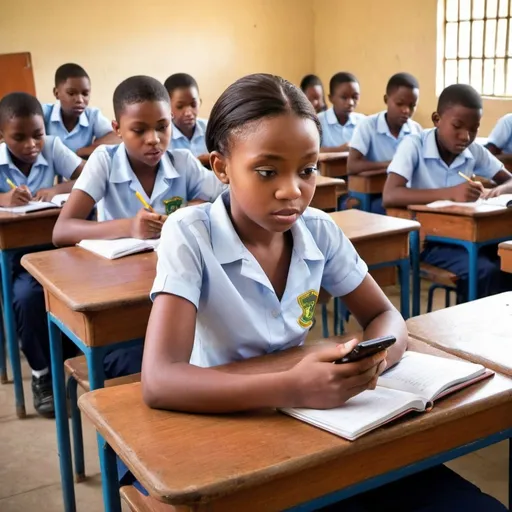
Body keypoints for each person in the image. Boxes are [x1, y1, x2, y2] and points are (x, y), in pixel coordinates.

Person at [137, 73, 505, 511]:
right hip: (220, 422)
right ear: (220, 167)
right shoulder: (189, 233)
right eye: (267, 171)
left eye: (308, 170)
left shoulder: (317, 230)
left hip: (309, 421)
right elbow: (160, 380)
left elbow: (386, 318)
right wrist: (290, 388)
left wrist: (368, 362)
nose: (293, 190)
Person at [53, 75, 226, 377]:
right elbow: (62, 231)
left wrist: (190, 209)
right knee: (128, 358)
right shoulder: (104, 161)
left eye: (162, 126)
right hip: (117, 285)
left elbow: (228, 194)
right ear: (117, 129)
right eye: (139, 130)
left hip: (173, 278)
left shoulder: (183, 161)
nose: (154, 139)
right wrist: (129, 227)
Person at [383, 83, 512, 300]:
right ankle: (467, 327)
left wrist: (498, 190)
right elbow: (390, 195)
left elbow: (509, 180)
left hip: (470, 234)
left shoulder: (474, 150)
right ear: (437, 119)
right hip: (428, 240)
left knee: (506, 263)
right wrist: (451, 193)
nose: (465, 136)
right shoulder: (414, 145)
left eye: (474, 129)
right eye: (458, 126)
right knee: (483, 272)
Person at [0, 92, 84, 416]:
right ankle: (41, 374)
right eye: (18, 137)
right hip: (17, 257)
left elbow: (85, 175)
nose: (31, 144)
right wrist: (6, 197)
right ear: (3, 136)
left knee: (79, 286)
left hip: (57, 245)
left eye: (37, 134)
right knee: (25, 296)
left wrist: (58, 189)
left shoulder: (51, 146)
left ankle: (74, 358)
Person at [42, 63, 118, 157]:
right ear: (56, 93)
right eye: (71, 93)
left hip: (82, 170)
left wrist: (83, 151)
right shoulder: (44, 113)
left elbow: (117, 136)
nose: (80, 100)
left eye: (85, 94)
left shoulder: (92, 115)